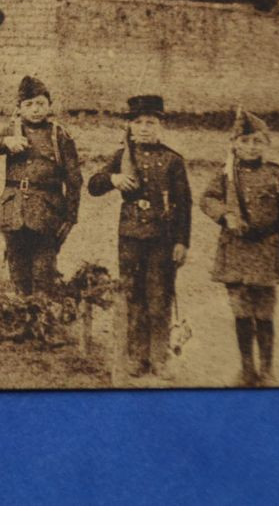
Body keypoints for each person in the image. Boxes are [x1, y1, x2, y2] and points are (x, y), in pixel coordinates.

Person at [87, 94, 193, 378]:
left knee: (160, 298)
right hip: (131, 238)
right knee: (133, 296)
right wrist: (114, 179)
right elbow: (93, 185)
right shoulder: (123, 157)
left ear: (161, 127)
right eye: (138, 122)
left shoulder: (173, 161)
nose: (145, 128)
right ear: (130, 127)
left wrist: (182, 242)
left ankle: (160, 357)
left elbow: (184, 205)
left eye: (151, 122)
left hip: (162, 239)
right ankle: (137, 356)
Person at [200, 109, 279, 386]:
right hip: (236, 252)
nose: (251, 147)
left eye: (257, 141)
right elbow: (207, 199)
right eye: (244, 141)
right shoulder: (225, 175)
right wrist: (225, 214)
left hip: (268, 252)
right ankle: (246, 369)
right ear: (234, 144)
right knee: (241, 313)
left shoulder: (277, 175)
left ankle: (267, 370)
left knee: (264, 313)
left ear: (267, 144)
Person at [0, 75, 82, 295]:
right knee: (18, 272)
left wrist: (70, 218)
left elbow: (74, 180)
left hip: (46, 214)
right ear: (19, 108)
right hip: (13, 213)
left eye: (41, 103)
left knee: (44, 274)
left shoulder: (59, 135)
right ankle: (22, 321)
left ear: (49, 105)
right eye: (29, 104)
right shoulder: (10, 130)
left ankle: (42, 323)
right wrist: (4, 142)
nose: (35, 110)